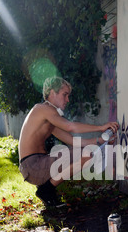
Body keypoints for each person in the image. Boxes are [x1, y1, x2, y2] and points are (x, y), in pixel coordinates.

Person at [18, 76, 119, 206]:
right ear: (52, 92)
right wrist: (100, 127)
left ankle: (47, 189)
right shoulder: (42, 109)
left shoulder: (50, 117)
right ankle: (46, 190)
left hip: (36, 166)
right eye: (64, 95)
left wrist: (102, 140)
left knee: (86, 154)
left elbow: (73, 141)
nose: (67, 100)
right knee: (85, 154)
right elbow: (70, 126)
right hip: (32, 166)